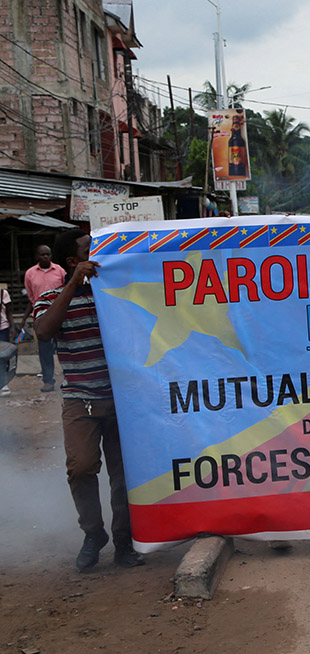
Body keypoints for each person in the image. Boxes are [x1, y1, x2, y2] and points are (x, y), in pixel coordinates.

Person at [33, 228, 144, 571]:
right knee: (81, 467)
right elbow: (44, 332)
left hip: (121, 398)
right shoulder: (50, 299)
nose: (97, 252)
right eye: (88, 249)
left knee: (123, 475)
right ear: (73, 261)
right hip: (80, 399)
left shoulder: (111, 294)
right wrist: (72, 285)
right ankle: (93, 533)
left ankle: (124, 542)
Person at [23, 244, 65, 392]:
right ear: (37, 256)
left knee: (64, 347)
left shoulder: (60, 271)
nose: (46, 257)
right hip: (41, 315)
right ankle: (48, 381)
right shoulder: (30, 274)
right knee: (45, 350)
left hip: (60, 314)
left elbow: (66, 290)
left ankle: (69, 378)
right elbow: (31, 296)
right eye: (42, 254)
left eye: (48, 254)